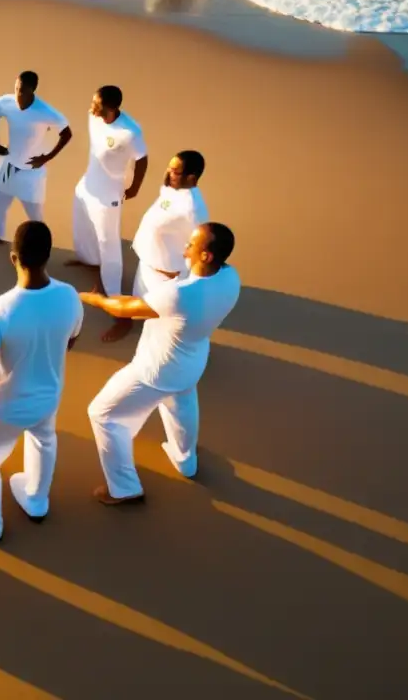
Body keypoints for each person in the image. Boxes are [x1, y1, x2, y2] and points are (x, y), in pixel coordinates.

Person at [82, 223, 240, 503]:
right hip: (192, 362)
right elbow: (183, 290)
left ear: (206, 256)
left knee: (102, 414)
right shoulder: (230, 277)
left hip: (156, 370)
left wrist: (93, 299)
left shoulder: (180, 295)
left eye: (192, 245)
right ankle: (185, 461)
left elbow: (124, 308)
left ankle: (125, 488)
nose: (185, 249)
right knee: (180, 406)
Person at [0, 221, 83, 541]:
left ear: (13, 258)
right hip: (49, 395)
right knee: (44, 439)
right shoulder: (69, 296)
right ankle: (36, 501)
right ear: (48, 255)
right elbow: (70, 342)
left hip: (5, 404)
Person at [66, 86, 149, 342]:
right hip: (87, 186)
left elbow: (142, 158)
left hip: (108, 198)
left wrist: (134, 187)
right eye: (93, 102)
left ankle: (119, 311)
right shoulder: (94, 116)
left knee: (109, 246)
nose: (91, 108)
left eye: (97, 105)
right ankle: (90, 261)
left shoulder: (130, 132)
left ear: (112, 109)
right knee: (82, 228)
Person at [113, 150, 210, 342]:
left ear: (191, 178)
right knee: (138, 301)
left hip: (165, 273)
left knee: (159, 317)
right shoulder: (173, 187)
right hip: (148, 261)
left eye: (174, 171)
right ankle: (127, 322)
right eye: (169, 166)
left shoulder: (192, 208)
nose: (168, 173)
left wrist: (184, 272)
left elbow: (201, 248)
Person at [0, 71, 72, 252]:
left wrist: (47, 157)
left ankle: (41, 248)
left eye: (22, 91)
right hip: (8, 166)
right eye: (16, 88)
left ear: (33, 90)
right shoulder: (6, 102)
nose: (18, 94)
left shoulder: (45, 111)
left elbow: (66, 133)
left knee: (34, 214)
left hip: (32, 171)